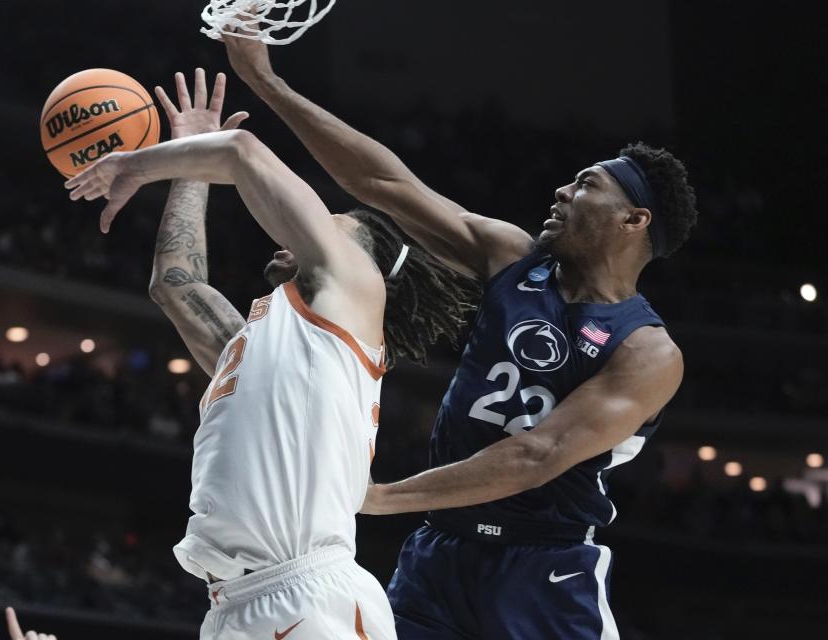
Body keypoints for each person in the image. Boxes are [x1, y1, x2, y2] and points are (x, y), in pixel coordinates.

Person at [222, 35, 697, 639]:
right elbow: (381, 183)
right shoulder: (511, 256)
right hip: (438, 558)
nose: (562, 191)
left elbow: (538, 454)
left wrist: (378, 497)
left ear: (634, 220)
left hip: (544, 572)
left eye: (586, 185)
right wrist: (269, 83)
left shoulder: (647, 351)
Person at [64, 69, 476, 640]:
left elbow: (241, 150)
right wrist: (188, 166)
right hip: (236, 601)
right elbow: (176, 284)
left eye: (326, 228)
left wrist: (141, 162)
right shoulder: (269, 341)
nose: (299, 233)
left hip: (307, 594)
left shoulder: (357, 295)